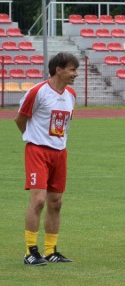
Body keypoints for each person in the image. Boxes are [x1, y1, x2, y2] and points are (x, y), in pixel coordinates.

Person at [17, 52, 78, 265]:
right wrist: (32, 138)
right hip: (37, 151)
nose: (75, 74)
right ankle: (30, 252)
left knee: (56, 202)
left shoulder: (71, 94)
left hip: (60, 153)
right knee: (39, 200)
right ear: (58, 70)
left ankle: (51, 251)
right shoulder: (38, 92)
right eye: (71, 69)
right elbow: (21, 118)